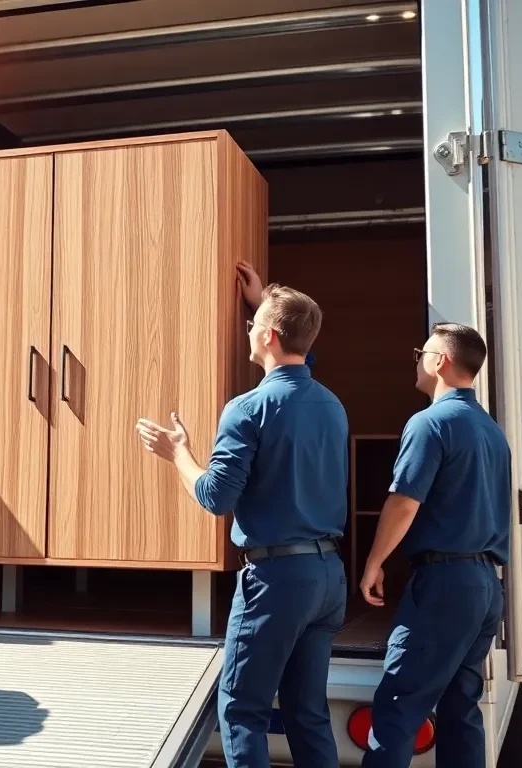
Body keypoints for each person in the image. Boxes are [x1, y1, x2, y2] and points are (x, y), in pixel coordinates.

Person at [136, 278, 348, 768]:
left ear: (269, 336)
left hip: (277, 580)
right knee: (308, 712)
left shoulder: (247, 408)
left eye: (254, 324)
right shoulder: (331, 404)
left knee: (241, 710)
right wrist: (268, 305)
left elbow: (216, 497)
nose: (248, 328)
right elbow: (297, 367)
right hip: (327, 578)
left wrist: (179, 453)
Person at [358, 323, 510, 767]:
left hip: (446, 583)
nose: (416, 361)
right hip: (485, 585)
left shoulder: (430, 423)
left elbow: (404, 502)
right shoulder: (491, 430)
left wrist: (374, 562)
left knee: (398, 706)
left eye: (420, 353)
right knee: (461, 707)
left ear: (440, 361)